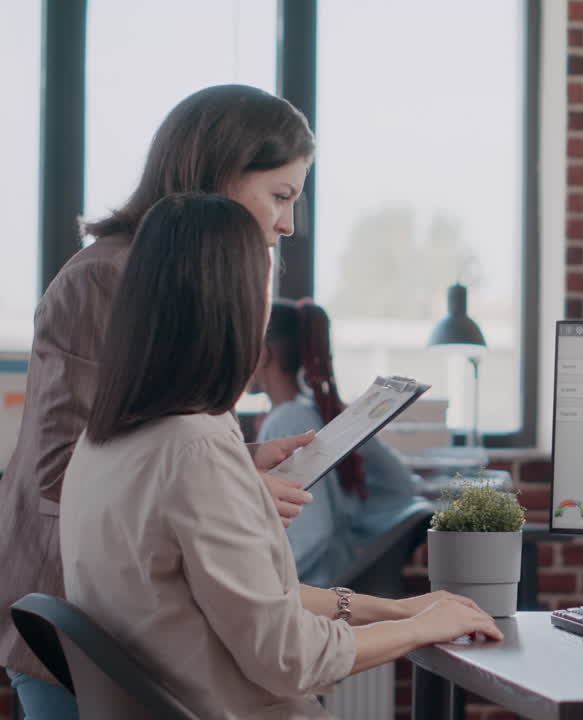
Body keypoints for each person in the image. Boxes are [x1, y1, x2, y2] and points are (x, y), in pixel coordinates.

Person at [60, 193, 501, 719]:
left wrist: (395, 608)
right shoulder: (195, 450)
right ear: (236, 307)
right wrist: (420, 628)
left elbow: (256, 599)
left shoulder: (105, 442)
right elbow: (289, 658)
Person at [0, 84, 323, 718]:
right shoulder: (106, 277)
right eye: (280, 197)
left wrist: (242, 463)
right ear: (216, 172)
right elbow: (67, 466)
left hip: (127, 612)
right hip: (78, 617)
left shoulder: (191, 277)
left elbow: (145, 439)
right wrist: (232, 494)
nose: (287, 225)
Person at [253, 300, 422, 587]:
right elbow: (402, 486)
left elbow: (312, 533)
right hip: (340, 578)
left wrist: (257, 582)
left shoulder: (287, 421)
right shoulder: (319, 411)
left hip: (313, 588)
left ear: (266, 352)